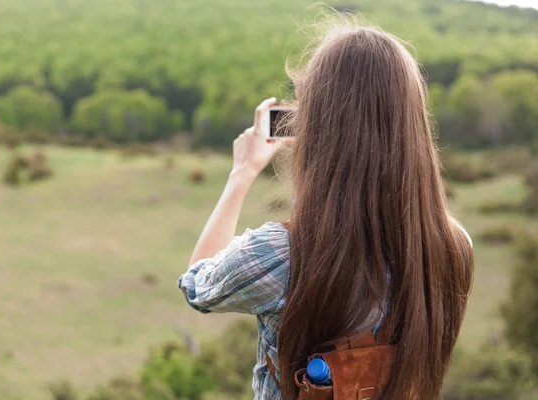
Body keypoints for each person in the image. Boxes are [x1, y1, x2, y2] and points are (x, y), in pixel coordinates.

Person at [178, 22, 474, 400]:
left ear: (318, 126)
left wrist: (242, 174)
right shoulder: (452, 247)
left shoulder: (278, 255)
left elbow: (197, 285)